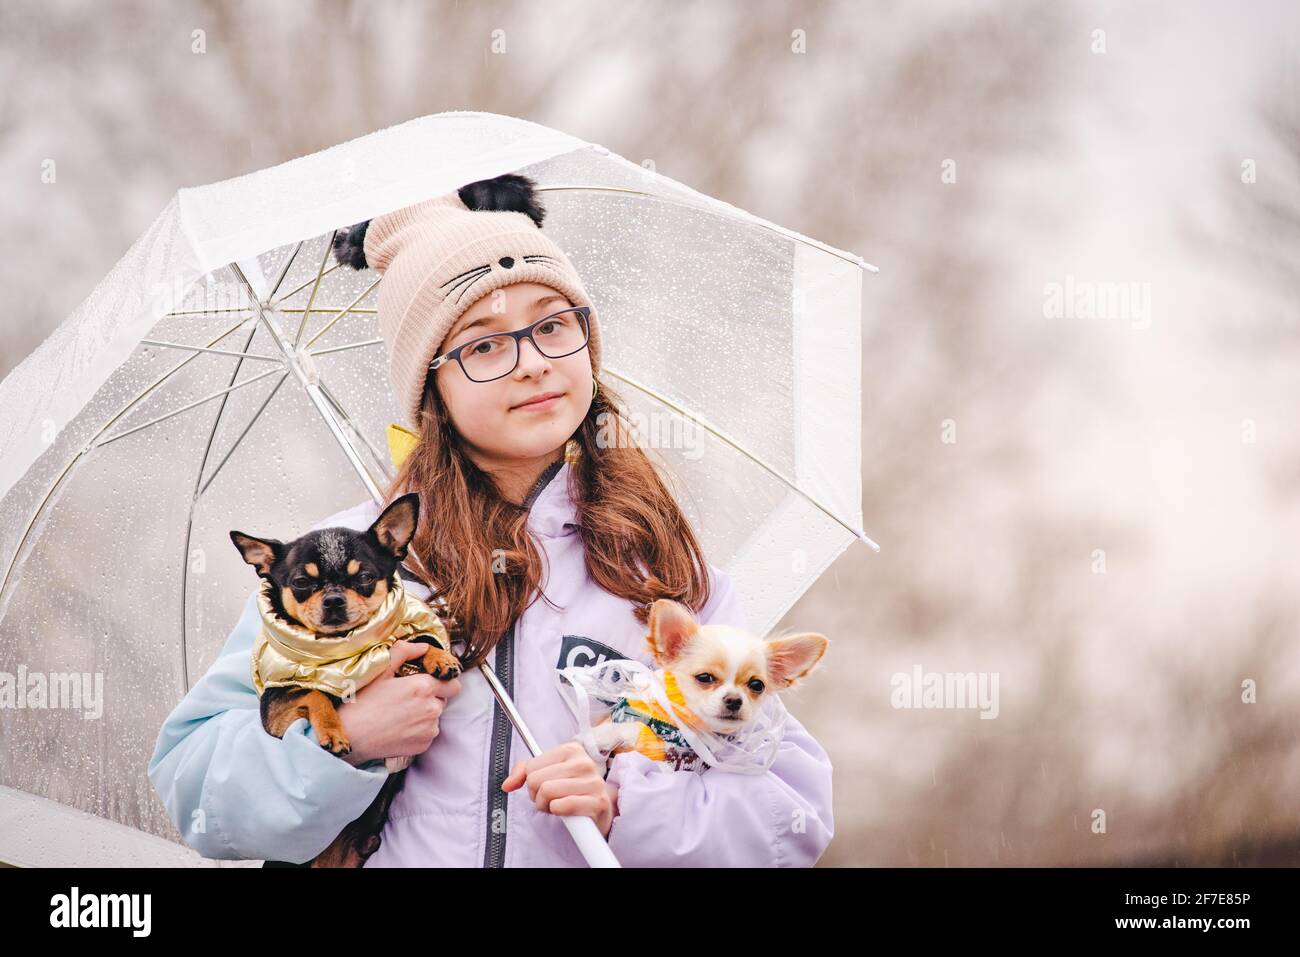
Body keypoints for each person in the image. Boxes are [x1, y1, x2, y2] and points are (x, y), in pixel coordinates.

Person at [148, 174, 834, 867]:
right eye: (483, 345)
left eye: (553, 325)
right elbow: (197, 788)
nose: (533, 362)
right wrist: (347, 740)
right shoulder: (342, 563)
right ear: (431, 387)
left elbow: (790, 820)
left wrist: (624, 802)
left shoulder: (662, 572)